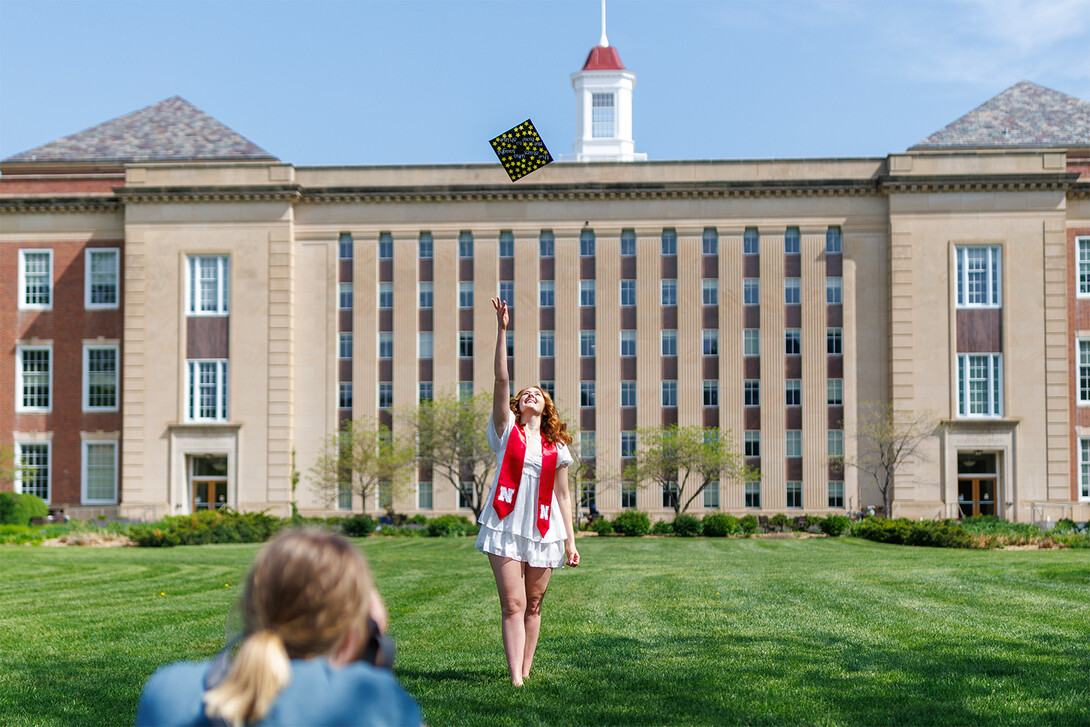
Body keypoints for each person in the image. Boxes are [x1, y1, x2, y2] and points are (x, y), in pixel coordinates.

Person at [135, 529, 422, 727]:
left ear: (248, 607)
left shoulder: (167, 690)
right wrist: (375, 645)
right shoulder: (374, 700)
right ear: (352, 632)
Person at [474, 297, 580, 686]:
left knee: (534, 603)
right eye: (526, 393)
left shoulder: (557, 448)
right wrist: (503, 331)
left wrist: (570, 541)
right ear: (518, 405)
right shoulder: (506, 433)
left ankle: (525, 671)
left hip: (543, 528)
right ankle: (514, 679)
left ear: (545, 406)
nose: (530, 394)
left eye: (538, 393)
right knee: (513, 603)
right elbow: (501, 380)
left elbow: (564, 497)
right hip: (505, 522)